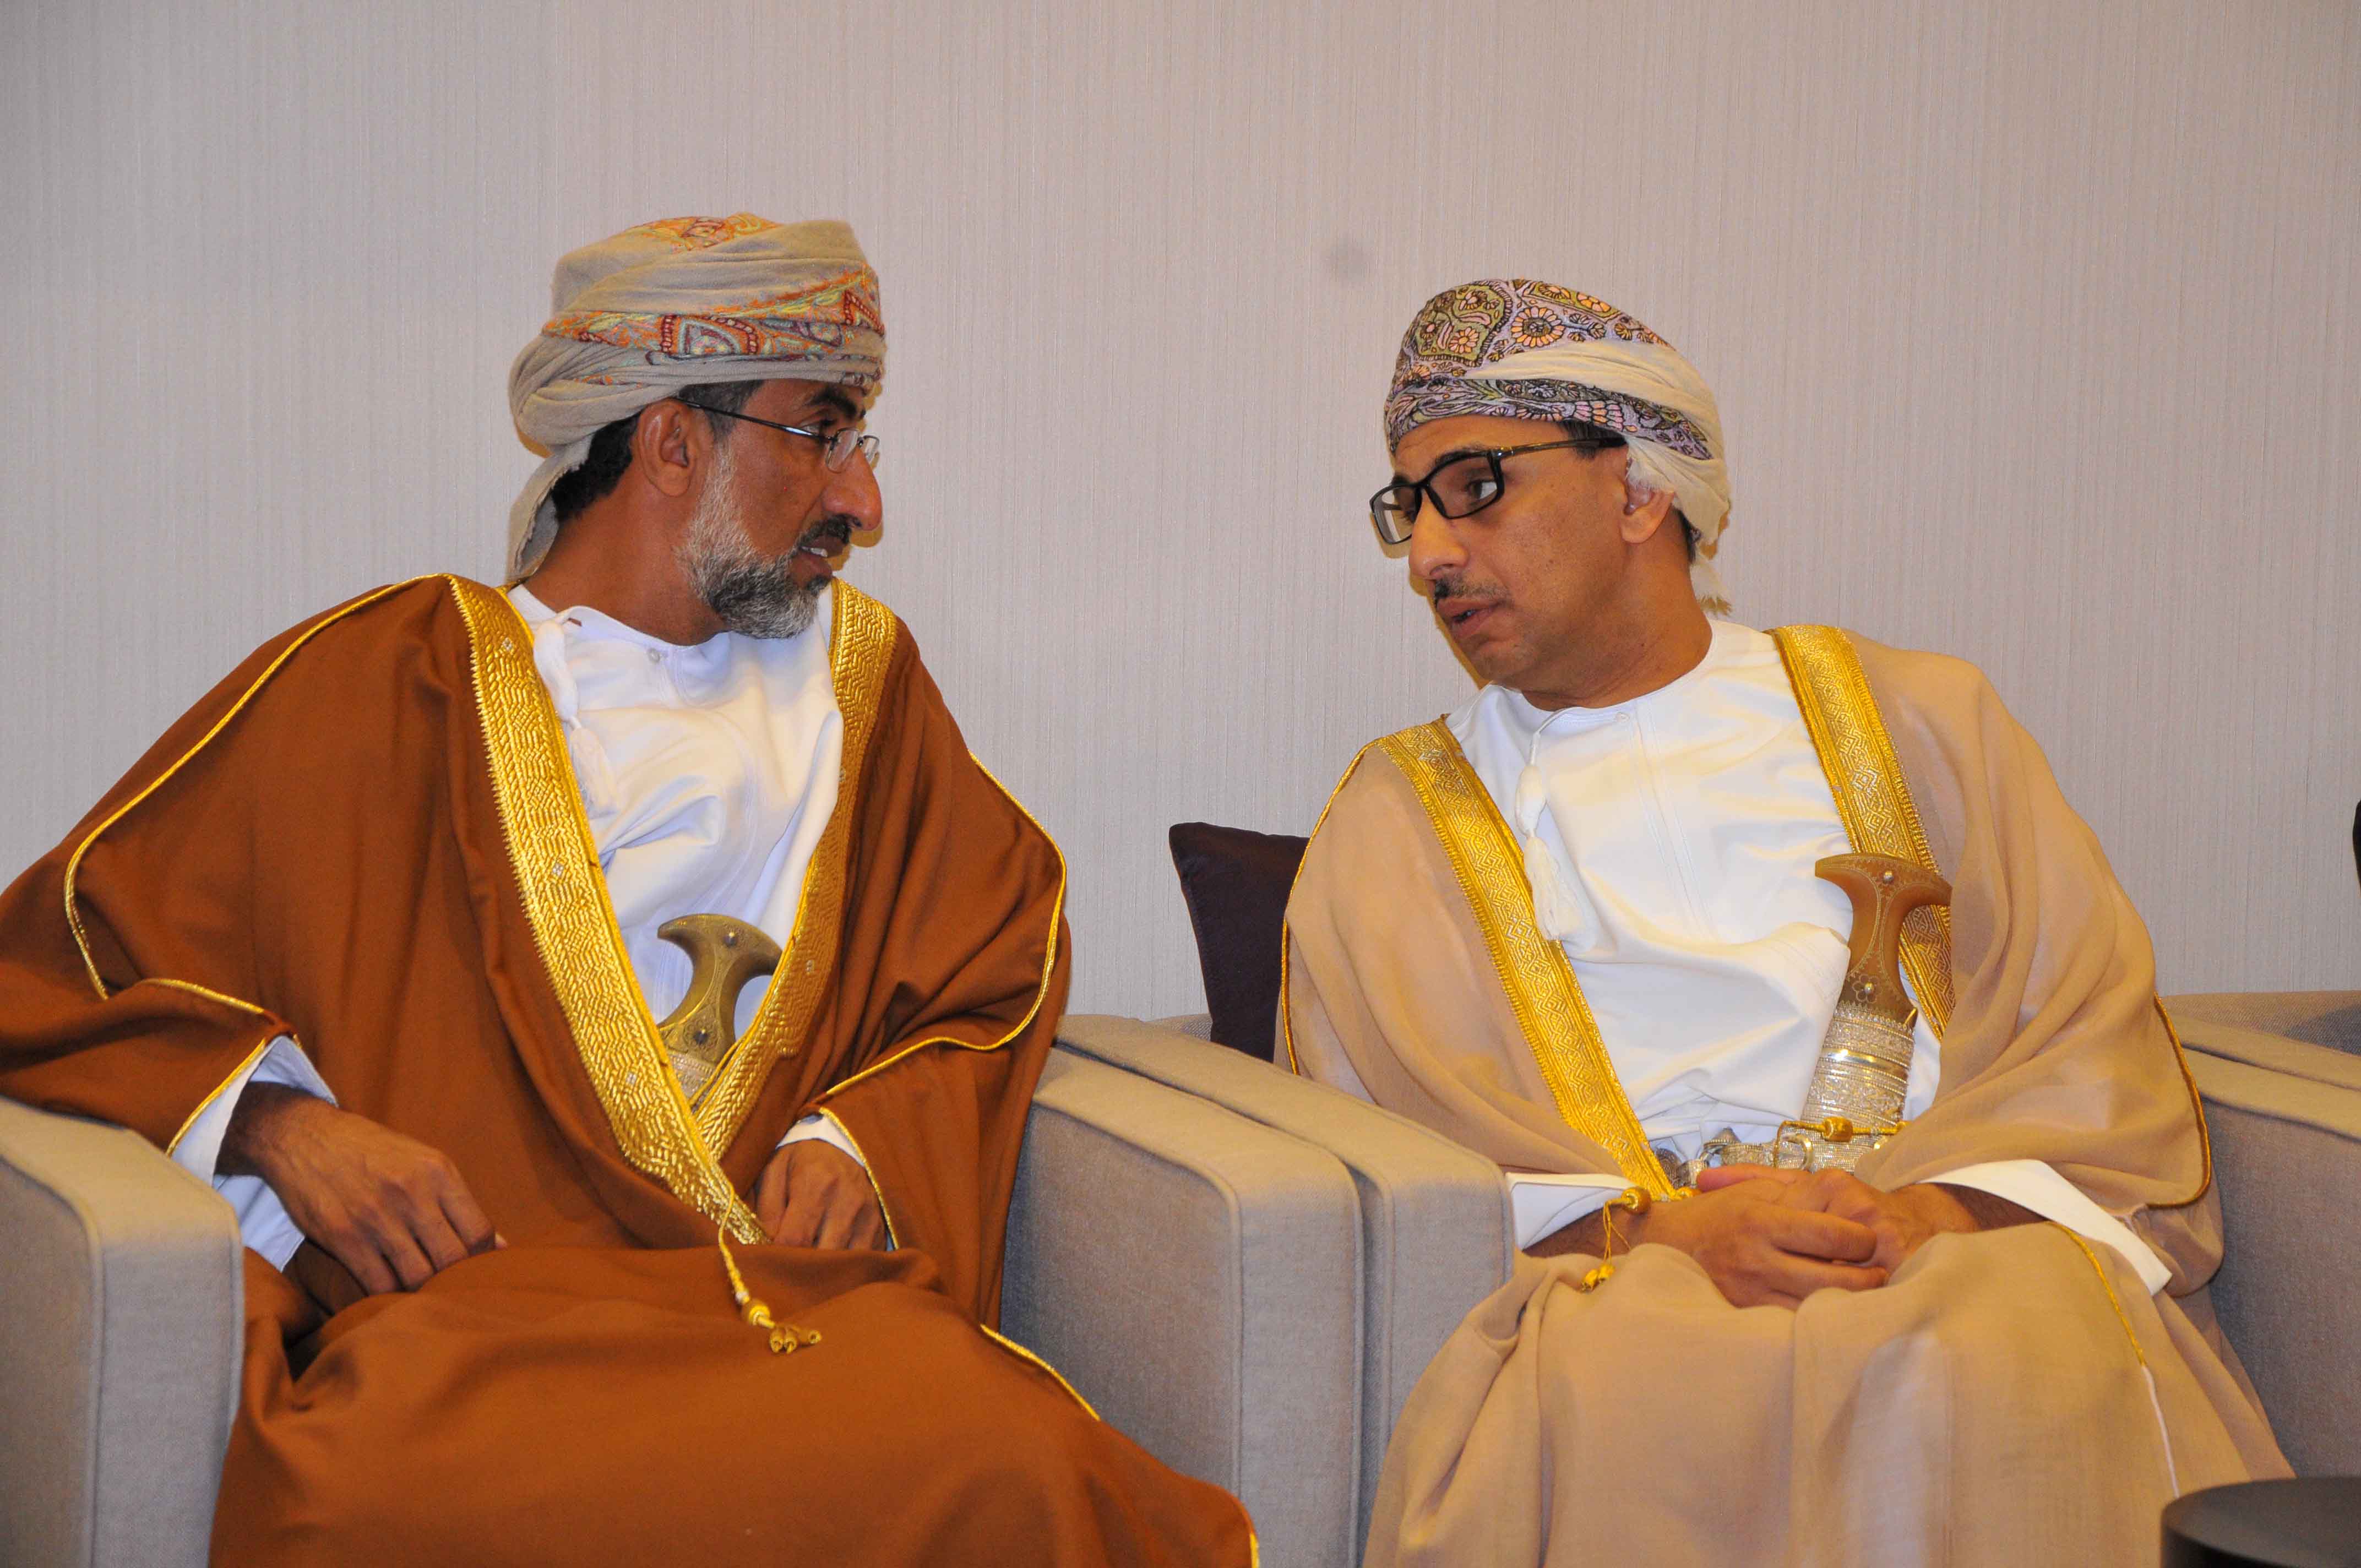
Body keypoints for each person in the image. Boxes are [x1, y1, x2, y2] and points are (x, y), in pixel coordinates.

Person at [0, 213, 1251, 1566]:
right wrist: (281, 1127)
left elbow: (991, 968)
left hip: (779, 1311)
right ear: (671, 444)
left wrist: (856, 1140)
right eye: (822, 432)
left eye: (860, 443)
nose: (861, 502)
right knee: (360, 1495)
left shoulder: (865, 692)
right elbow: (54, 961)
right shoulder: (385, 677)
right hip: (469, 1322)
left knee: (1015, 1455)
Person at [1281, 278, 2287, 1566]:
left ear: (1637, 491)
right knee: (1662, 1375)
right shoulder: (1397, 820)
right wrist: (1666, 1229)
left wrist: (1926, 1215)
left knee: (1995, 1341)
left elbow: (2085, 1042)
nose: (1428, 554)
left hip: (1949, 1232)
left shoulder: (1921, 720)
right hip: (1626, 1272)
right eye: (1408, 505)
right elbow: (1391, 1161)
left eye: (1473, 487)